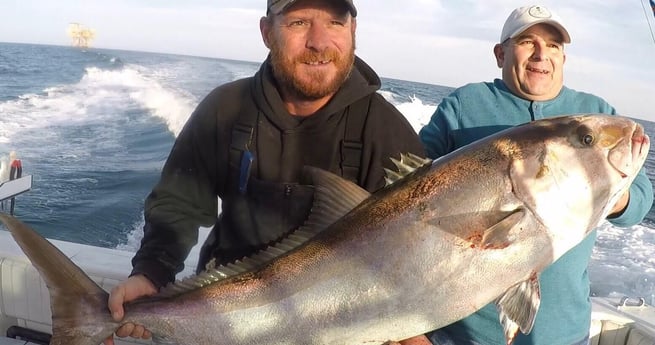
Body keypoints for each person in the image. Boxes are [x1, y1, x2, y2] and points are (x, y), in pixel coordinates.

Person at [103, 0, 425, 344]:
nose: (318, 41)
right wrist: (151, 272)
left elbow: (415, 247)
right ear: (266, 32)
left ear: (353, 31)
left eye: (335, 23)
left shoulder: (385, 130)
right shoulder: (225, 109)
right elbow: (178, 204)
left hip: (336, 325)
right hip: (222, 321)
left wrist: (407, 327)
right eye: (298, 23)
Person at [401, 4, 654, 345]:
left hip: (564, 333)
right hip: (463, 332)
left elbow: (639, 199)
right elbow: (406, 186)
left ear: (563, 58)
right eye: (527, 41)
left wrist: (614, 195)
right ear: (500, 53)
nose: (541, 55)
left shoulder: (595, 113)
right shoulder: (464, 104)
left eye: (553, 46)